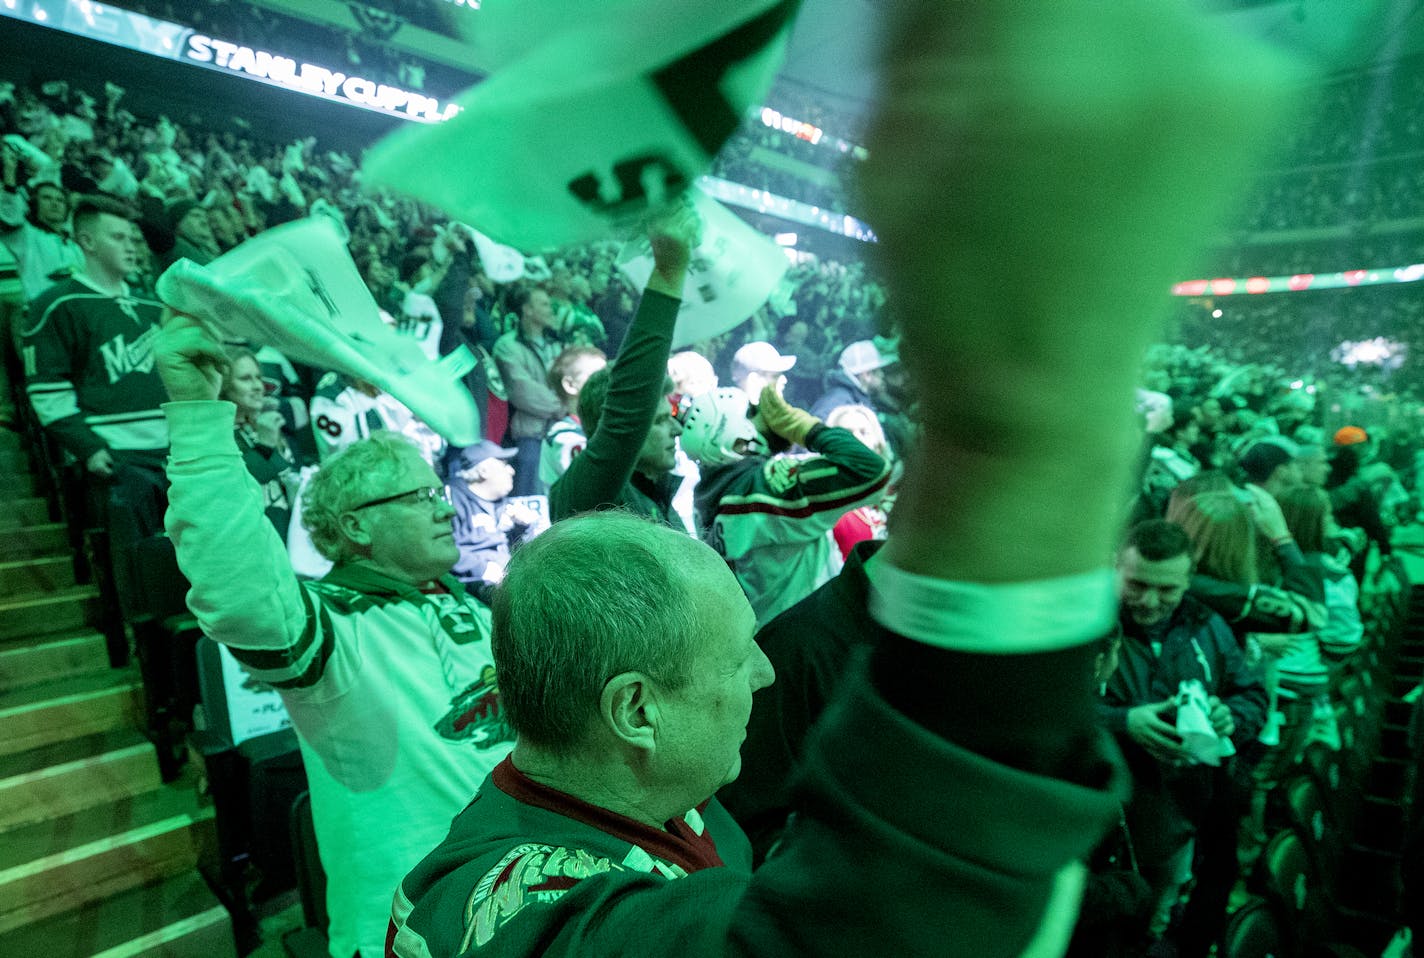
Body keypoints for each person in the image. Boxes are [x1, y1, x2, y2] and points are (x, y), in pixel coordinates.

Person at [386, 0, 1302, 952]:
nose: (766, 668)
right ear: (636, 708)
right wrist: (1028, 424)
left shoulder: (671, 812)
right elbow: (887, 924)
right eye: (734, 655)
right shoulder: (518, 912)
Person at [156, 315, 517, 958]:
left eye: (439, 489)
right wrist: (197, 416)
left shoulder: (477, 612)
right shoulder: (329, 624)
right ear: (356, 527)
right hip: (416, 930)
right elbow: (236, 585)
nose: (443, 505)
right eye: (418, 495)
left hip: (530, 899)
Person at [1102, 520, 1267, 950]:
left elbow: (1249, 692)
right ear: (1115, 567)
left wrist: (1231, 715)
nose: (1151, 601)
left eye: (1167, 590)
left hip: (1181, 811)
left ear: (1187, 581)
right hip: (1103, 819)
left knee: (1154, 916)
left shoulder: (1206, 624)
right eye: (1137, 584)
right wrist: (1125, 722)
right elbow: (1045, 711)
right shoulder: (1085, 624)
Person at [681, 384, 891, 626]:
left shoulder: (713, 493)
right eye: (752, 411)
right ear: (733, 436)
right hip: (808, 629)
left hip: (772, 628)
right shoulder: (757, 487)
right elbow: (869, 469)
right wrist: (804, 427)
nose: (768, 416)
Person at [547, 208, 696, 526]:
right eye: (658, 420)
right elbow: (629, 409)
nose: (677, 428)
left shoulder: (658, 499)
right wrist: (668, 274)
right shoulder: (588, 496)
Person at [220, 346, 300, 540]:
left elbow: (287, 476)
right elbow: (234, 489)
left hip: (286, 530)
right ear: (224, 385)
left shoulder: (262, 424)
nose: (258, 386)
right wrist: (264, 445)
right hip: (250, 538)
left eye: (258, 377)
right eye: (246, 379)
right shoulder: (216, 434)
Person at [493, 284, 565, 495]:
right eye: (543, 304)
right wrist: (562, 406)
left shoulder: (557, 344)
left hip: (558, 434)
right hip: (530, 438)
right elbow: (521, 390)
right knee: (530, 503)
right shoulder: (507, 346)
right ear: (527, 310)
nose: (550, 309)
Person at [450, 439, 540, 598]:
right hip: (474, 585)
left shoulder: (503, 504)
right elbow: (442, 549)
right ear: (484, 471)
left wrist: (524, 527)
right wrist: (483, 568)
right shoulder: (452, 500)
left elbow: (521, 551)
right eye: (504, 464)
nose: (512, 470)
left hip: (510, 578)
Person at [537, 345, 606, 489]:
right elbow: (591, 487)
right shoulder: (565, 438)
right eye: (598, 376)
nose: (607, 382)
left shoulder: (594, 428)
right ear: (570, 385)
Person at [809, 338, 898, 421]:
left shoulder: (855, 399)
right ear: (867, 375)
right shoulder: (839, 402)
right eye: (879, 371)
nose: (882, 375)